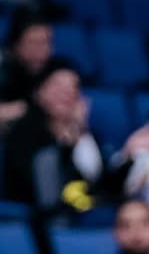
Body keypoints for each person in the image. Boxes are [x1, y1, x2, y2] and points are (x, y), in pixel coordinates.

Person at [2, 59, 104, 215]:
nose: (66, 94)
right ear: (38, 92)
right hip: (38, 216)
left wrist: (80, 133)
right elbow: (39, 187)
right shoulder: (23, 133)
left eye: (73, 87)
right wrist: (67, 146)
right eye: (58, 86)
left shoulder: (87, 134)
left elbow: (97, 182)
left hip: (85, 214)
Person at [0, 9, 54, 124]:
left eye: (47, 42)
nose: (43, 50)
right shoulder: (3, 71)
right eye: (35, 43)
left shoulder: (57, 70)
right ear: (15, 45)